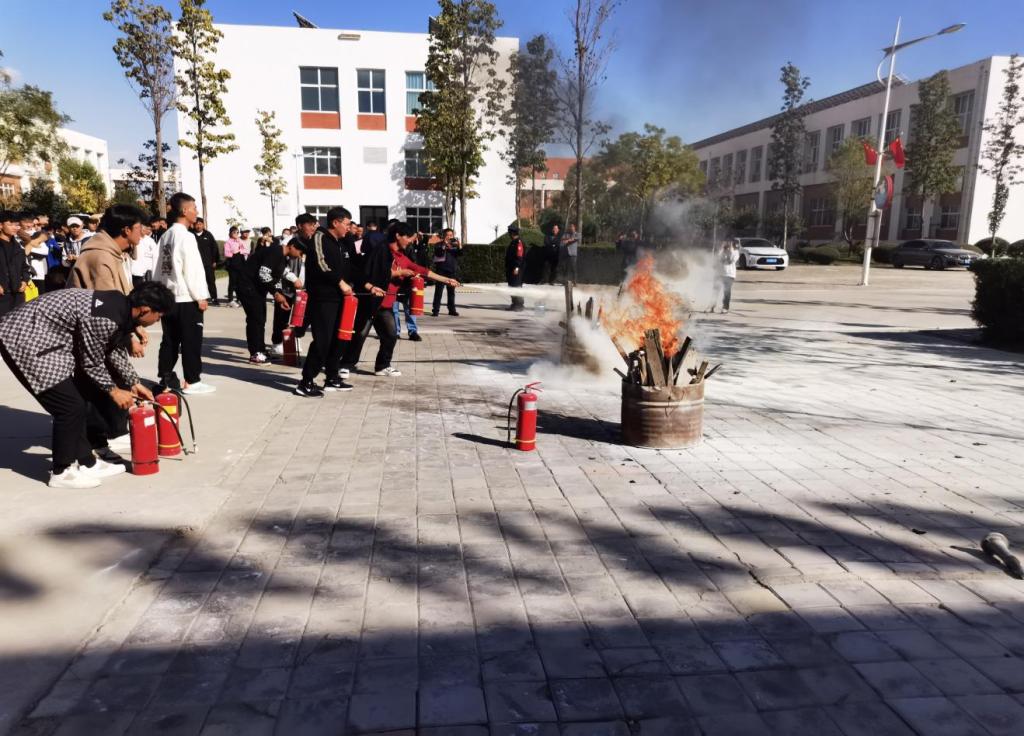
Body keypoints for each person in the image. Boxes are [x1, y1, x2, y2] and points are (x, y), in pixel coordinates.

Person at [0, 282, 174, 488]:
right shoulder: (106, 317)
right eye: (159, 315)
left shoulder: (120, 307)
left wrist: (133, 382)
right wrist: (114, 391)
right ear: (145, 310)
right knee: (69, 406)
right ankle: (62, 472)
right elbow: (92, 362)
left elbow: (112, 349)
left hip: (44, 335)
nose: (158, 320)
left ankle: (87, 462)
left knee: (77, 404)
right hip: (24, 337)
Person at [359, 222, 458, 378]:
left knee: (390, 335)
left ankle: (382, 366)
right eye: (409, 238)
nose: (411, 242)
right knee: (358, 336)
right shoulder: (382, 251)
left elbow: (422, 270)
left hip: (385, 305)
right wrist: (398, 273)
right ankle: (342, 365)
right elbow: (373, 272)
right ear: (398, 236)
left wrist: (446, 280)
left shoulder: (402, 257)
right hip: (371, 303)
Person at [154, 192, 214, 395]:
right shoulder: (186, 236)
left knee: (170, 340)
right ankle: (192, 380)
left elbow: (157, 268)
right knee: (191, 340)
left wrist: (159, 295)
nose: (196, 212)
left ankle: (165, 377)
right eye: (194, 208)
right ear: (185, 210)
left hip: (168, 297)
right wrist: (200, 296)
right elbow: (192, 269)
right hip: (186, 297)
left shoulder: (165, 236)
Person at [294, 209, 357, 397]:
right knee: (323, 341)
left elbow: (346, 266)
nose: (349, 228)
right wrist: (340, 282)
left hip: (338, 297)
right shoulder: (319, 237)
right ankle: (305, 382)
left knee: (339, 339)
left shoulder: (338, 242)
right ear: (336, 222)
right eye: (347, 224)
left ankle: (331, 377)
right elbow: (321, 264)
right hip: (323, 298)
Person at [235, 227, 305, 365]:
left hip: (257, 289)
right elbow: (264, 273)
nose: (299, 256)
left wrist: (280, 294)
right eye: (300, 253)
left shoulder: (282, 257)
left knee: (261, 319)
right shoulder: (275, 252)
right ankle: (255, 353)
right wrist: (276, 293)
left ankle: (261, 350)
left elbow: (277, 276)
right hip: (248, 286)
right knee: (255, 319)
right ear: (292, 246)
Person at [68, 204, 144, 296]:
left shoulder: (115, 253)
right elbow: (105, 302)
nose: (142, 232)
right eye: (139, 228)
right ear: (127, 230)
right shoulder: (100, 258)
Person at [0, 211, 31, 317]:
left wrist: (25, 281)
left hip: (18, 295)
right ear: (1, 225)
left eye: (17, 225)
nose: (15, 227)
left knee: (18, 322)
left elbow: (25, 267)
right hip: (2, 295)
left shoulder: (18, 246)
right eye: (11, 224)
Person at [430, 228, 462, 316]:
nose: (449, 237)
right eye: (447, 235)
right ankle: (435, 310)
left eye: (451, 235)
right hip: (441, 271)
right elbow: (439, 253)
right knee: (438, 291)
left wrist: (459, 245)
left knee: (451, 292)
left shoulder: (454, 245)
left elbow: (460, 254)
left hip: (451, 270)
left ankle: (452, 310)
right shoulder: (438, 244)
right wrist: (444, 245)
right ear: (444, 236)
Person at [193, 217, 221, 306]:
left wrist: (214, 261)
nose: (198, 226)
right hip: (195, 264)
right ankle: (198, 299)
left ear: (203, 225)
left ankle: (214, 298)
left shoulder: (208, 235)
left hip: (208, 263)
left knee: (211, 281)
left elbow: (214, 248)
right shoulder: (191, 234)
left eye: (200, 224)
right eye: (196, 224)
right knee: (196, 282)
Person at [223, 226, 249, 306]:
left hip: (240, 263)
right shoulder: (228, 242)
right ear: (230, 233)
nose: (236, 234)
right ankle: (230, 300)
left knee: (240, 282)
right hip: (232, 264)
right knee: (232, 282)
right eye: (234, 232)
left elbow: (245, 250)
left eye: (237, 232)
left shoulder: (239, 241)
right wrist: (234, 252)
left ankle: (239, 298)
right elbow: (226, 254)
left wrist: (239, 249)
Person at [131, 222, 159, 288]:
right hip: (135, 271)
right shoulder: (134, 239)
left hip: (148, 272)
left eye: (145, 228)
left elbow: (156, 255)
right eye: (142, 228)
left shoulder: (150, 241)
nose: (144, 229)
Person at [714, 240, 739, 314]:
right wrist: (721, 249)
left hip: (730, 275)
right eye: (726, 243)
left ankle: (725, 307)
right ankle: (712, 305)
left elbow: (732, 260)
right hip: (720, 273)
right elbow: (718, 259)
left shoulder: (735, 252)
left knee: (726, 291)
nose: (727, 245)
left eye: (729, 244)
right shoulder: (722, 251)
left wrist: (731, 249)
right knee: (715, 289)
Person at [506, 225, 526, 311]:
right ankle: (515, 304)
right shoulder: (513, 242)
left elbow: (519, 256)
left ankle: (519, 305)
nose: (509, 234)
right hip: (511, 269)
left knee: (516, 286)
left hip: (516, 269)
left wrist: (517, 267)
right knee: (512, 286)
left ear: (512, 233)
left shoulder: (518, 242)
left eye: (509, 232)